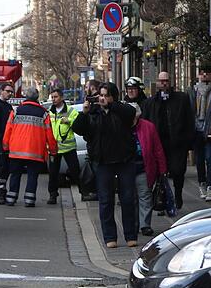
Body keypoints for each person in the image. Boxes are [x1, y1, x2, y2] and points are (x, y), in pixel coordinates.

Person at [73, 82, 139, 248]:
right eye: (100, 95)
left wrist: (112, 105)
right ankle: (110, 237)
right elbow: (78, 129)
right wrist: (84, 113)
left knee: (127, 199)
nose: (102, 98)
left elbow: (130, 113)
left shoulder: (122, 110)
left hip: (124, 160)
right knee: (105, 200)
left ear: (113, 97)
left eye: (106, 95)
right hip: (103, 162)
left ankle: (130, 235)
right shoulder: (94, 113)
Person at [144, 71, 194, 211]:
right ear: (158, 82)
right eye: (161, 81)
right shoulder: (152, 102)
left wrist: (188, 141)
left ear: (170, 81)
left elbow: (189, 120)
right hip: (160, 143)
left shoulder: (181, 99)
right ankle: (163, 198)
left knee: (178, 171)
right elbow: (148, 121)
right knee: (161, 172)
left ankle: (178, 195)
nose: (164, 83)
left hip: (177, 143)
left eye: (166, 80)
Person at [2, 87, 55, 207]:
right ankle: (29, 200)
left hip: (16, 151)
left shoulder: (16, 111)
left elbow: (8, 130)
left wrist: (5, 146)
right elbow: (49, 134)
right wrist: (53, 150)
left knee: (15, 174)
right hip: (35, 152)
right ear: (37, 98)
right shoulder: (44, 113)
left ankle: (11, 198)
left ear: (26, 96)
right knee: (32, 176)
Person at [133, 106, 168, 237]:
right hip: (127, 169)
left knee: (145, 196)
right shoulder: (121, 126)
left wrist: (162, 169)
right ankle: (134, 223)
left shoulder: (148, 127)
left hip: (144, 167)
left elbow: (157, 149)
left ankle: (145, 225)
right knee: (130, 198)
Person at [46, 88, 81, 205]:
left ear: (61, 97)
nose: (53, 99)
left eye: (55, 97)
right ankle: (52, 195)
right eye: (52, 97)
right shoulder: (50, 112)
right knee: (53, 173)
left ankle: (83, 191)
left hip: (68, 147)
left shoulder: (70, 111)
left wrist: (69, 120)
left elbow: (78, 123)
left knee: (75, 170)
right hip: (54, 148)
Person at [190, 67, 211, 200]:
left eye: (207, 73)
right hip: (196, 130)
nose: (204, 75)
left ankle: (209, 186)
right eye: (202, 73)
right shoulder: (192, 91)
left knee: (209, 158)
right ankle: (201, 183)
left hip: (208, 130)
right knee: (199, 160)